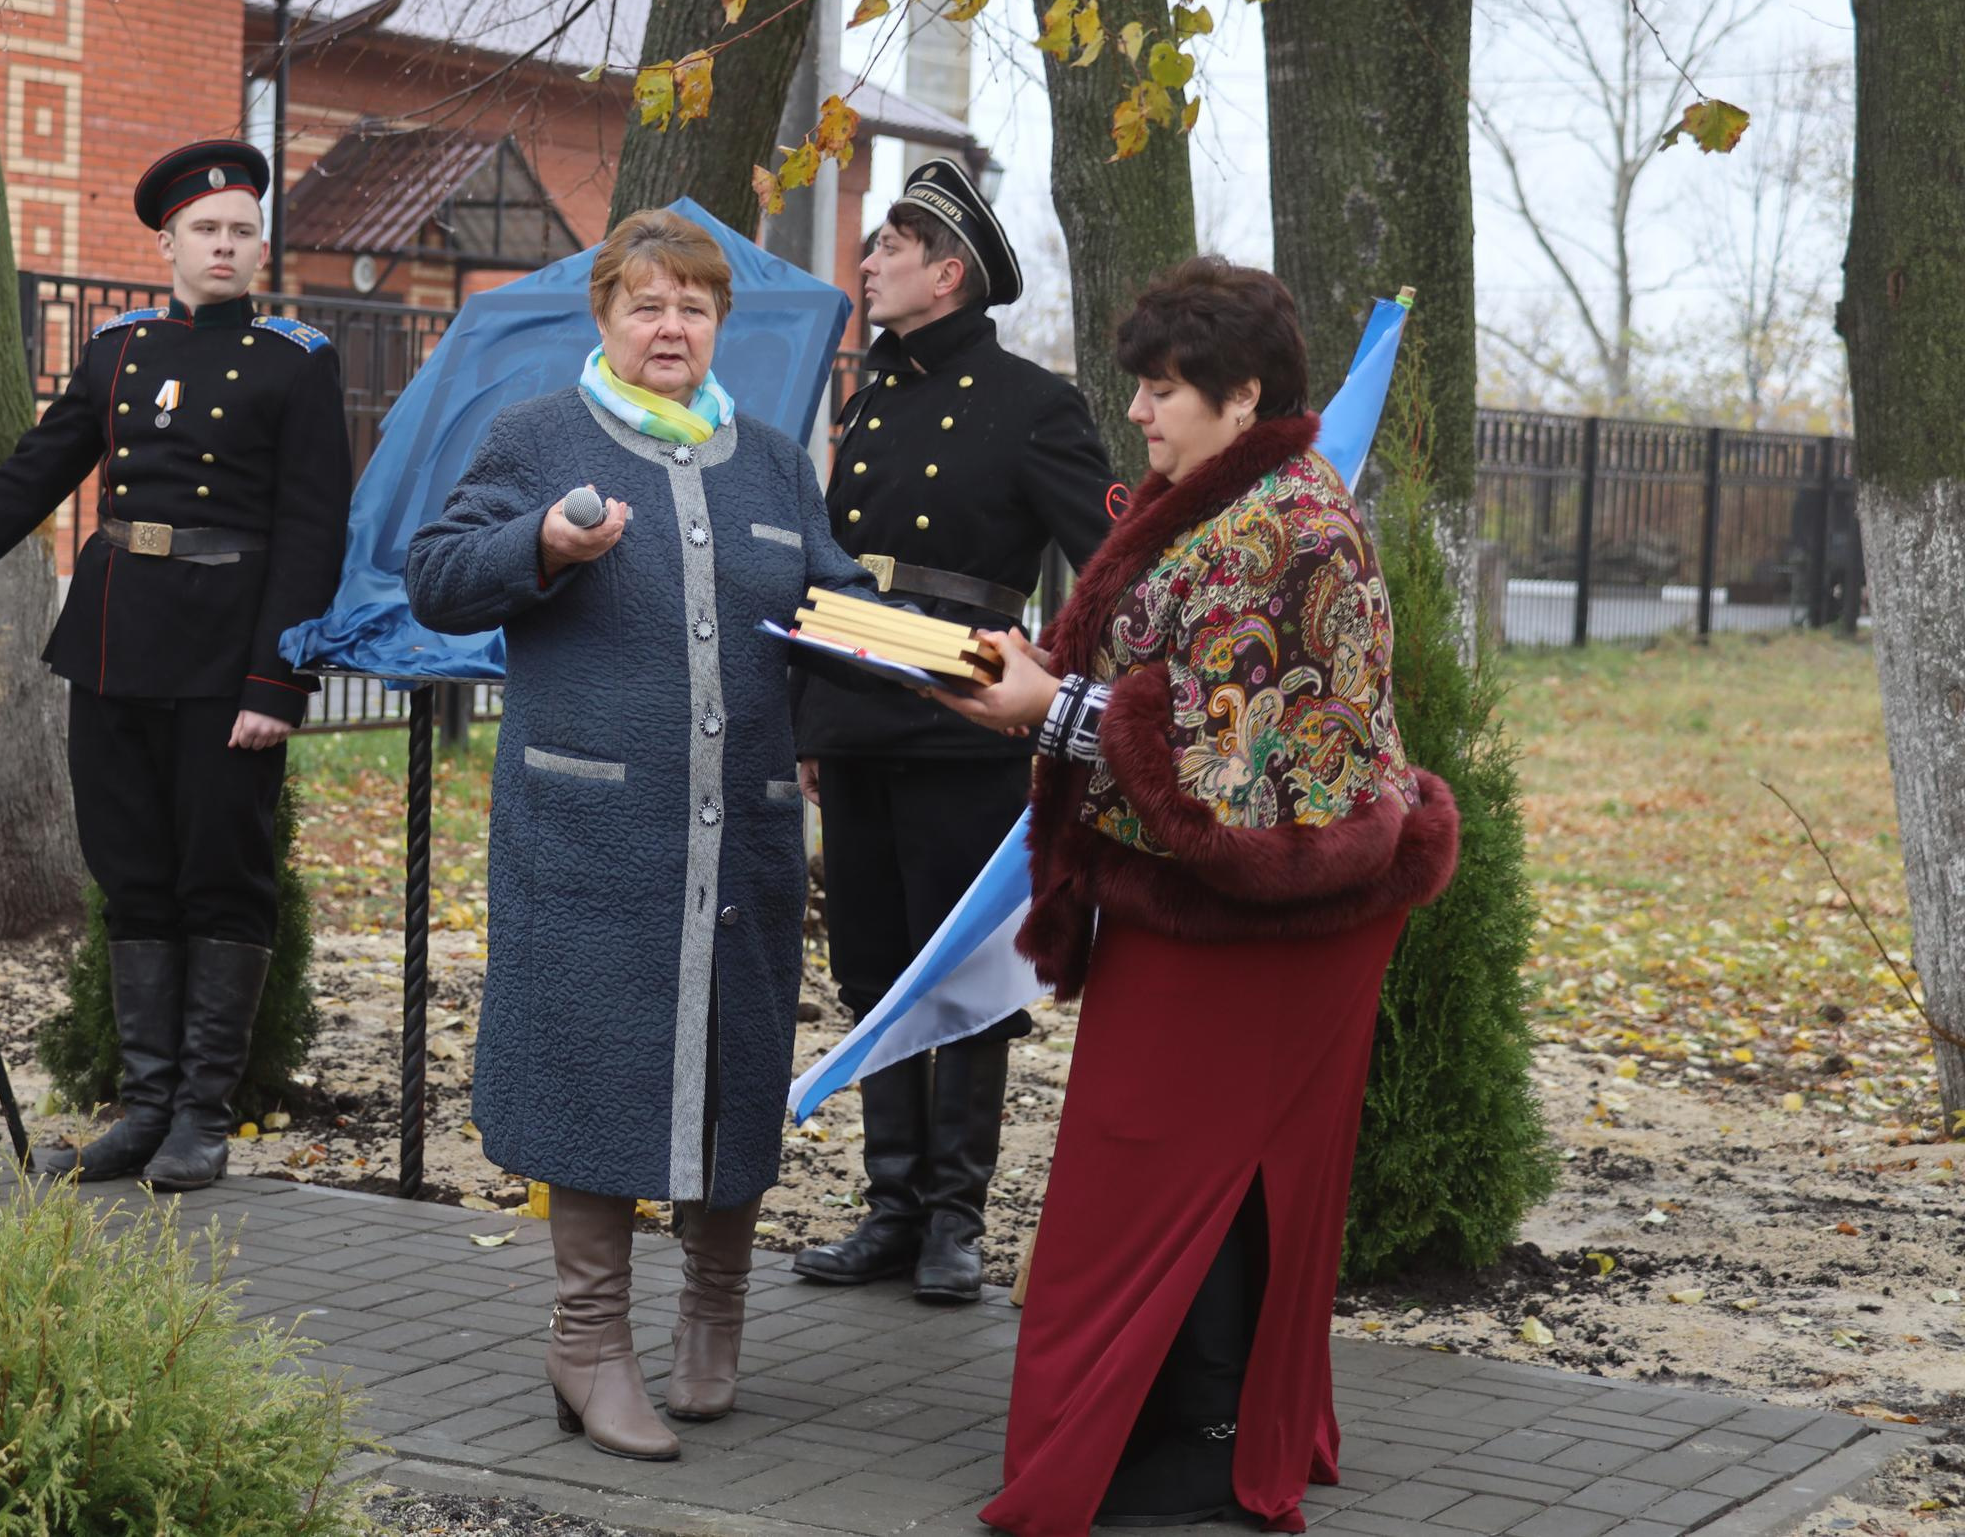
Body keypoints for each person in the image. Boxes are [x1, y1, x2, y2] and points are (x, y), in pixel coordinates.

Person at [933, 258, 1460, 1536]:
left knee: (1194, 1175)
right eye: (1145, 389)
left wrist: (1046, 710)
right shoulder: (1220, 501)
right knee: (1168, 1176)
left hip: (1269, 920)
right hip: (1210, 909)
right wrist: (1034, 666)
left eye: (1165, 390)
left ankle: (1218, 1445)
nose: (1144, 415)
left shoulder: (1287, 524)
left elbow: (1228, 773)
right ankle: (1178, 1423)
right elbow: (1151, 673)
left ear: (1242, 393)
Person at [405, 209, 873, 1464]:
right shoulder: (538, 437)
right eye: (647, 305)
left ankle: (713, 1317)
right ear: (604, 318)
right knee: (594, 1069)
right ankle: (588, 1343)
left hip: (748, 842)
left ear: (719, 325)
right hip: (594, 840)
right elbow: (435, 575)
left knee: (732, 1059)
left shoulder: (770, 460)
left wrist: (917, 640)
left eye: (694, 307)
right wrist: (541, 544)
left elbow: (832, 595)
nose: (671, 327)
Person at [0, 140, 351, 1192]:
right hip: (117, 643)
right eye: (204, 230)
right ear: (167, 243)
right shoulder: (118, 352)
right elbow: (29, 480)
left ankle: (203, 1114)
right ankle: (144, 1109)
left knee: (223, 878)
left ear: (259, 248)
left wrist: (277, 682)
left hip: (225, 656)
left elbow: (312, 533)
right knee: (133, 879)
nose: (223, 245)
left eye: (240, 231)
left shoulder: (298, 359)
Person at [791, 159, 1115, 1304]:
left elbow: (1109, 570)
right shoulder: (868, 393)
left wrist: (1055, 698)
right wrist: (809, 718)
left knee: (958, 968)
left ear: (948, 271)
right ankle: (887, 1206)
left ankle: (951, 1223)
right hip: (856, 705)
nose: (866, 262)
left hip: (965, 714)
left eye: (888, 246)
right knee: (875, 964)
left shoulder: (1035, 405)